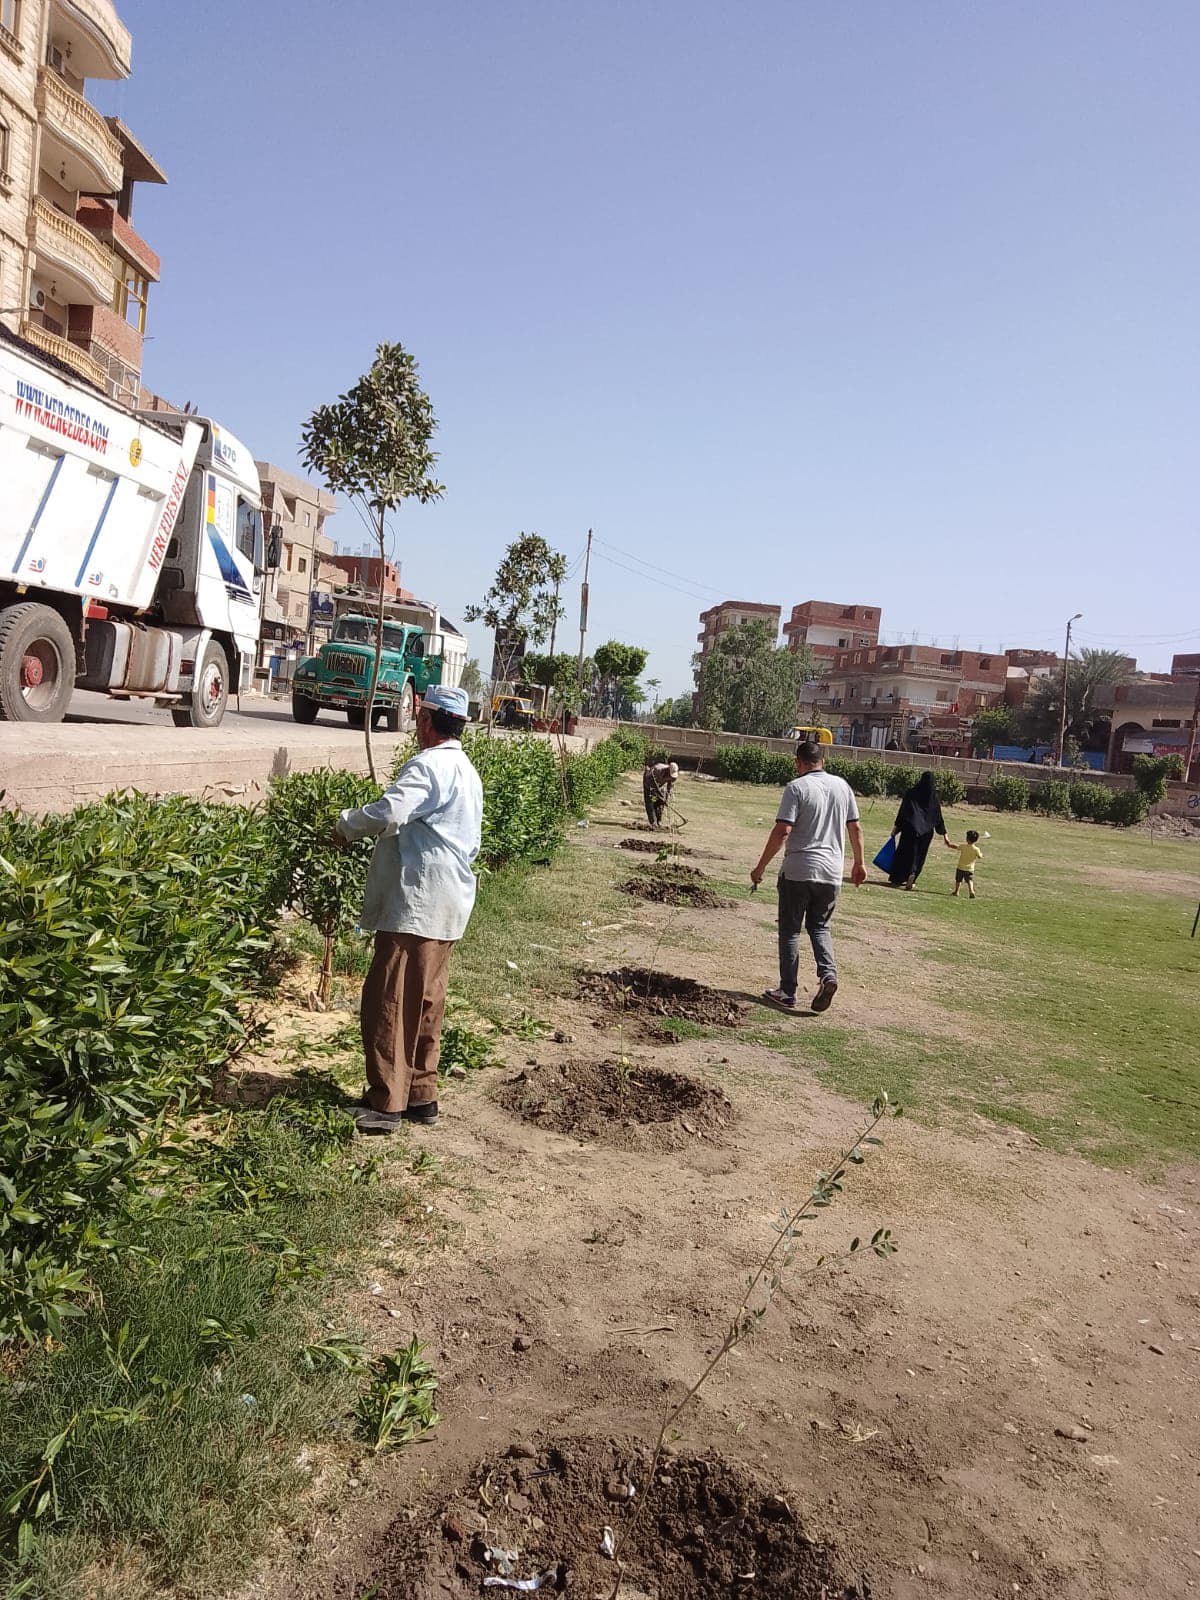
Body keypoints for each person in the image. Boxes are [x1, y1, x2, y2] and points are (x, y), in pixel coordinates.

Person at [331, 684, 483, 1134]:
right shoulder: (465, 769)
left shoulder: (430, 765)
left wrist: (346, 826)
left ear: (425, 720)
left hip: (418, 902)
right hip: (448, 902)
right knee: (426, 1000)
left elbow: (391, 812)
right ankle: (420, 1095)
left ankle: (386, 1104)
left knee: (391, 999)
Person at [750, 739, 866, 1013]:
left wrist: (760, 867)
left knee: (790, 931)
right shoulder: (842, 787)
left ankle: (787, 991)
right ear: (822, 762)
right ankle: (828, 975)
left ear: (799, 763)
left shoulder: (797, 787)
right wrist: (859, 863)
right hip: (831, 873)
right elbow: (856, 828)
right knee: (820, 927)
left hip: (799, 871)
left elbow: (783, 831)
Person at [888, 770, 953, 889]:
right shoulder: (933, 797)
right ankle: (913, 874)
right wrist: (944, 834)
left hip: (910, 829)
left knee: (905, 853)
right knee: (919, 856)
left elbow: (903, 812)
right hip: (926, 833)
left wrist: (896, 828)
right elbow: (937, 817)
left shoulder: (911, 793)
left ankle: (898, 879)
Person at [643, 758, 679, 828]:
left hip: (660, 785)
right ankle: (653, 822)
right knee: (651, 801)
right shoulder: (657, 770)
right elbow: (652, 785)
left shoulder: (673, 776)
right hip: (649, 782)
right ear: (668, 770)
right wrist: (657, 794)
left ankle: (659, 821)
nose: (671, 776)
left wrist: (666, 798)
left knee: (660, 803)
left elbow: (669, 786)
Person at [952, 829, 984, 899]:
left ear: (967, 839)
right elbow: (979, 856)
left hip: (960, 867)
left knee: (958, 880)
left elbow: (957, 847)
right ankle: (971, 891)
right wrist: (981, 854)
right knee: (969, 880)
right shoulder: (976, 849)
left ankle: (956, 891)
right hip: (970, 869)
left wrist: (949, 844)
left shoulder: (963, 846)